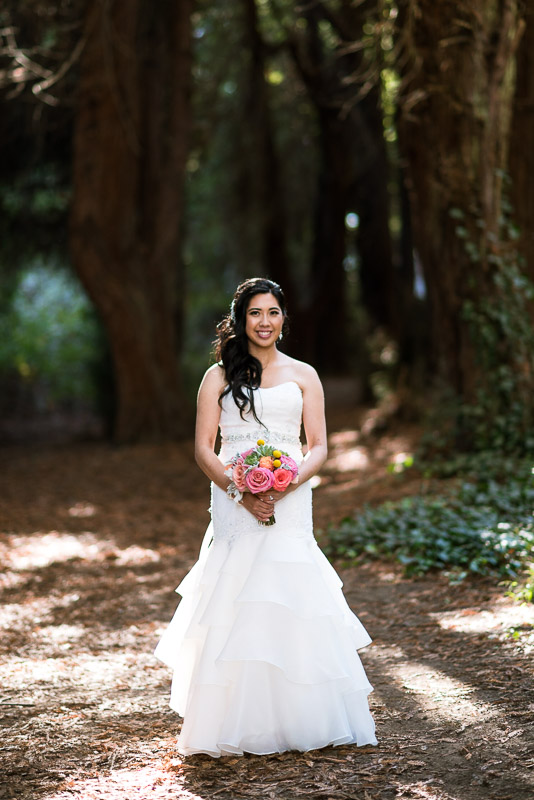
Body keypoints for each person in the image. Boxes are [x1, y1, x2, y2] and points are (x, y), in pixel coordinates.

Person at [154, 277, 377, 757]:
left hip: (290, 494)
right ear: (240, 320)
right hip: (234, 499)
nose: (264, 322)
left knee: (289, 594)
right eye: (255, 313)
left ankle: (302, 718)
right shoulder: (217, 377)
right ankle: (233, 720)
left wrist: (287, 484)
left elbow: (318, 445)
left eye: (273, 312)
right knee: (237, 594)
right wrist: (241, 491)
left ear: (283, 318)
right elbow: (202, 449)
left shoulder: (304, 375)